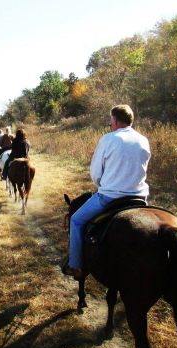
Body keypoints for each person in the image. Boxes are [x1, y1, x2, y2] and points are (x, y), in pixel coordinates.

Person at [63, 104, 151, 280]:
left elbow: (96, 173)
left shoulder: (108, 138)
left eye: (111, 121)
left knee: (76, 220)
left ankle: (76, 266)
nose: (110, 124)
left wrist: (102, 183)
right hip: (140, 198)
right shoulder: (143, 140)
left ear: (116, 120)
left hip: (110, 197)